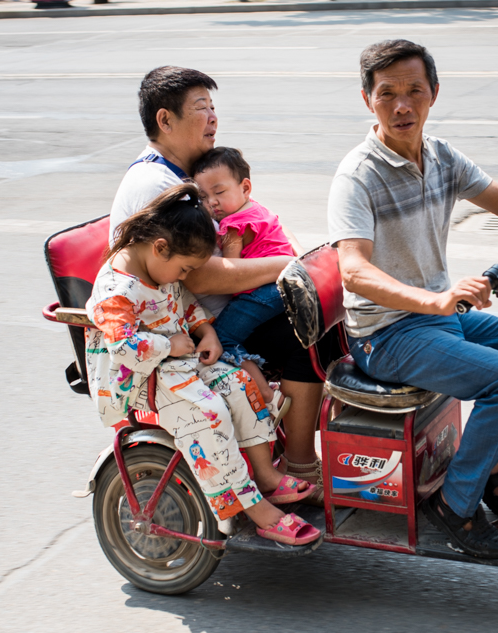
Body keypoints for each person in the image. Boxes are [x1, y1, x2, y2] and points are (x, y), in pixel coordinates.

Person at [328, 40, 498, 559]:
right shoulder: (358, 175)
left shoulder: (442, 156)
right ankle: (456, 507)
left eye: (414, 92)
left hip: (436, 320)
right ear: (367, 100)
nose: (402, 106)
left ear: (433, 95)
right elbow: (354, 272)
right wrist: (439, 301)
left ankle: (488, 473)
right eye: (387, 94)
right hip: (387, 335)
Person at [109, 65, 337, 504]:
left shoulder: (179, 177)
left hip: (208, 312)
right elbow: (204, 272)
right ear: (165, 120)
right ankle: (299, 469)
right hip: (180, 326)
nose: (213, 117)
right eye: (201, 108)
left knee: (319, 327)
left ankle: (296, 459)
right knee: (303, 338)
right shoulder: (161, 186)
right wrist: (286, 264)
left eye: (214, 107)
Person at [86, 183, 319, 545]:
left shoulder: (159, 267)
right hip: (141, 378)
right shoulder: (115, 289)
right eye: (183, 269)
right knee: (209, 413)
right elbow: (122, 346)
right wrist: (168, 344)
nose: (184, 276)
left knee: (240, 382)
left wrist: (205, 329)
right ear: (160, 248)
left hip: (179, 362)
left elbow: (185, 300)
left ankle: (265, 476)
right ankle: (254, 506)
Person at [192, 146, 303, 428]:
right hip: (284, 285)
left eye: (219, 192)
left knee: (223, 338)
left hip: (264, 291)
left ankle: (267, 395)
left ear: (245, 187)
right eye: (203, 196)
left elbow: (231, 274)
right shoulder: (258, 209)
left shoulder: (232, 226)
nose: (212, 202)